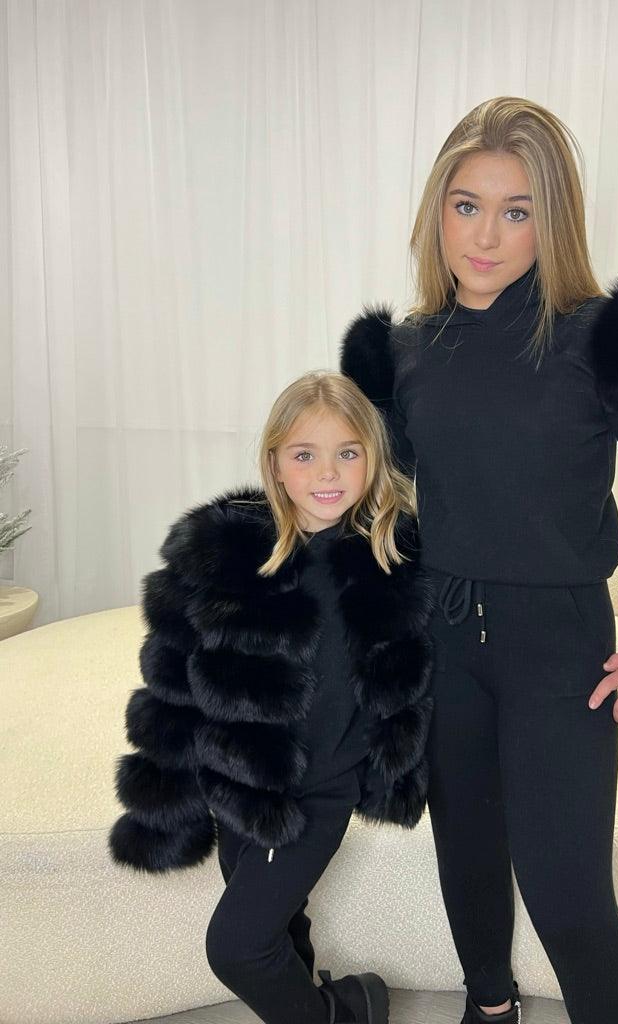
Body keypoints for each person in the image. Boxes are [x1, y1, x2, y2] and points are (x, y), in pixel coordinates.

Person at [340, 96, 618, 1024]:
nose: (486, 235)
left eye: (517, 211)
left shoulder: (608, 337)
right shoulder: (399, 351)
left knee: (568, 897)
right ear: (437, 210)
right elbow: (373, 506)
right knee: (466, 859)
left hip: (559, 648)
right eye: (467, 205)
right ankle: (490, 1009)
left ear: (554, 221)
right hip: (443, 644)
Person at [107, 370, 436, 1024]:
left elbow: (423, 675)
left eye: (347, 452)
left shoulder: (396, 559)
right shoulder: (221, 551)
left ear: (373, 459)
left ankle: (338, 1013)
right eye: (304, 454)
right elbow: (170, 685)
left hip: (323, 790)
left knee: (236, 946)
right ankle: (350, 1002)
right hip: (237, 783)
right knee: (279, 924)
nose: (327, 472)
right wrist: (165, 804)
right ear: (275, 463)